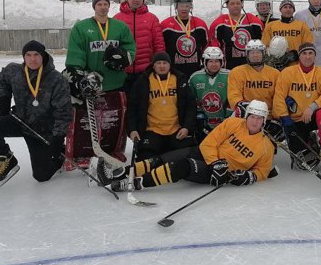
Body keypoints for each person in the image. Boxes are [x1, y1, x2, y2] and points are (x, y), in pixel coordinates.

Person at [105, 100, 275, 191]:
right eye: (252, 116)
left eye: (259, 118)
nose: (255, 121)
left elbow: (263, 170)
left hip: (219, 173)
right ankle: (123, 173)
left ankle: (136, 183)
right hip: (207, 156)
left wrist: (249, 177)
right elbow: (209, 142)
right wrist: (215, 161)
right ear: (247, 116)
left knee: (181, 166)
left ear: (264, 121)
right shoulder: (233, 124)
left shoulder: (266, 146)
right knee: (161, 159)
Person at [0, 40, 72, 185]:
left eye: (36, 55)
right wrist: (5, 98)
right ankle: (7, 158)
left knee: (41, 176)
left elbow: (63, 112)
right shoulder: (15, 71)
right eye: (28, 55)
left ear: (43, 56)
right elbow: (4, 78)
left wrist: (58, 137)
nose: (32, 59)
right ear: (23, 57)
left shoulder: (56, 79)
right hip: (19, 120)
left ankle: (59, 157)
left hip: (42, 131)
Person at [272, 42, 321, 168]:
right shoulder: (287, 73)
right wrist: (285, 118)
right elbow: (279, 97)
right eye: (304, 53)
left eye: (311, 53)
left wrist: (312, 107)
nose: (308, 56)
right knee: (304, 164)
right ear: (299, 56)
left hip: (314, 117)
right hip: (295, 120)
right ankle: (311, 141)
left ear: (315, 56)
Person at [126, 52, 196, 160]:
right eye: (158, 63)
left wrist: (186, 127)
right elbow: (132, 108)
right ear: (153, 65)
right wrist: (132, 129)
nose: (162, 66)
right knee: (145, 159)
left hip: (176, 130)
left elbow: (190, 106)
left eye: (165, 63)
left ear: (170, 65)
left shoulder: (179, 79)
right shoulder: (143, 81)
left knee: (187, 158)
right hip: (152, 131)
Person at [65, 0, 136, 97]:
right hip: (91, 83)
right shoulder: (81, 28)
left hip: (116, 82)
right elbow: (76, 52)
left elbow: (130, 46)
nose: (103, 7)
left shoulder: (120, 26)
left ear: (109, 6)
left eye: (105, 4)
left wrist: (124, 57)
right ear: (94, 7)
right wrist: (78, 74)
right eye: (99, 4)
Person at [115, 0, 165, 94]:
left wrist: (159, 64)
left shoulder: (152, 18)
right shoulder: (117, 18)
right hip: (123, 70)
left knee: (143, 102)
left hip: (145, 70)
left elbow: (159, 43)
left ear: (143, 0)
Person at [208, 0, 263, 69]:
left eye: (238, 3)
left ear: (242, 4)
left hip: (251, 66)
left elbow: (261, 42)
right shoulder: (219, 23)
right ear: (227, 5)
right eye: (232, 3)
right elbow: (214, 46)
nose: (235, 6)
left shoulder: (253, 21)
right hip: (228, 66)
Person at [161, 0, 210, 79]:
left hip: (195, 69)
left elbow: (206, 46)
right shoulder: (166, 25)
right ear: (176, 7)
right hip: (173, 70)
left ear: (191, 7)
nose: (184, 8)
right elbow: (161, 47)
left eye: (187, 6)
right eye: (181, 6)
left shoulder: (200, 24)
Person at [188, 47, 232, 141]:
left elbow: (233, 98)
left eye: (217, 61)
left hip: (225, 122)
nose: (214, 64)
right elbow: (191, 101)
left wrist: (228, 118)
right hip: (203, 122)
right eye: (211, 61)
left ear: (221, 62)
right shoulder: (195, 77)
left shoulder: (230, 76)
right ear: (204, 62)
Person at [228, 39, 280, 117]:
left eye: (258, 52)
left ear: (263, 54)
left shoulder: (275, 73)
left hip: (268, 114)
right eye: (252, 52)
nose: (255, 55)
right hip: (246, 112)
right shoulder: (236, 72)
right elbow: (234, 96)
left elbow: (279, 96)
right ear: (247, 55)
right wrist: (244, 107)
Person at [262, 0, 314, 66]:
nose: (288, 9)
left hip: (296, 64)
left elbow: (309, 44)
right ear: (280, 10)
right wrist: (271, 57)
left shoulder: (302, 25)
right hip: (276, 64)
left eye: (290, 7)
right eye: (285, 7)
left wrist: (296, 54)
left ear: (293, 10)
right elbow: (265, 44)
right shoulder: (271, 26)